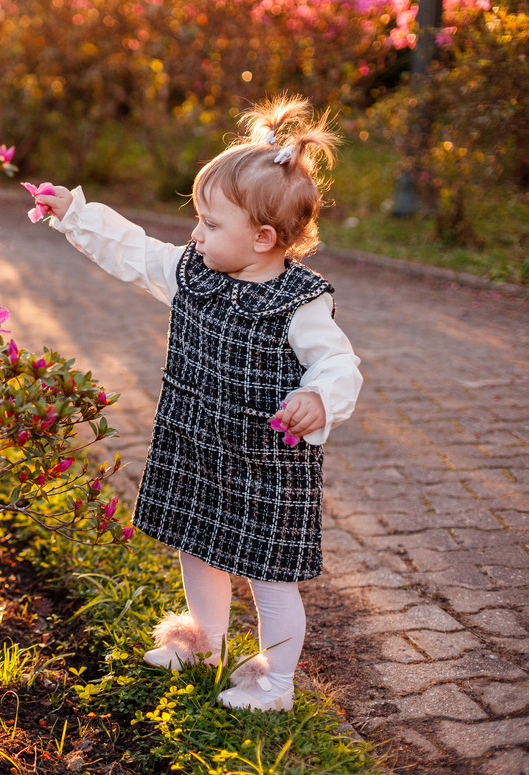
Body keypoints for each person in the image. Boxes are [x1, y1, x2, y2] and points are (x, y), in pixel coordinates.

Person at [30, 95, 363, 712]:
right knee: (196, 543)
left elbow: (338, 361)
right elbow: (134, 252)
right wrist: (73, 213)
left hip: (267, 464)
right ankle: (203, 641)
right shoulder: (194, 272)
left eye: (211, 225)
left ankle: (275, 685)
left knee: (270, 575)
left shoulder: (300, 301)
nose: (195, 233)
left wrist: (318, 395)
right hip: (195, 445)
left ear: (264, 238)